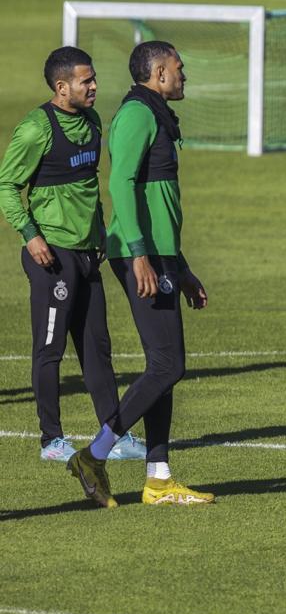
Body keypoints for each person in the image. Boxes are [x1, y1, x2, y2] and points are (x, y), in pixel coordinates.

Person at [67, 41, 212, 508]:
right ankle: (94, 453)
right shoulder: (136, 114)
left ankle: (158, 479)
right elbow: (120, 183)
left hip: (159, 254)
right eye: (178, 67)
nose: (184, 74)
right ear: (158, 73)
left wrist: (181, 266)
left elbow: (160, 203)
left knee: (164, 368)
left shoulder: (158, 113)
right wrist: (139, 255)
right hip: (140, 255)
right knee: (168, 364)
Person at [0, 47, 143, 463]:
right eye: (86, 80)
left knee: (97, 347)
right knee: (50, 348)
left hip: (86, 253)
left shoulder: (93, 122)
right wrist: (31, 235)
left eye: (94, 77)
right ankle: (51, 440)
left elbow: (87, 187)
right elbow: (6, 186)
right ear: (62, 88)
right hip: (51, 255)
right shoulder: (35, 130)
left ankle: (112, 435)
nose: (95, 85)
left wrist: (99, 232)